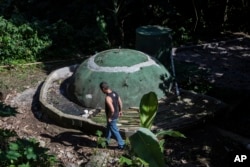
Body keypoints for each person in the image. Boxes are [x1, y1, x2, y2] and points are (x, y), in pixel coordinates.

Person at [99, 81, 125, 149]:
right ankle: (106, 142)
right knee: (109, 129)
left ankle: (122, 144)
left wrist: (110, 117)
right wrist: (120, 111)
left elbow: (112, 110)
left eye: (101, 90)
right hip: (116, 115)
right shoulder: (115, 93)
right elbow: (120, 102)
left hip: (112, 117)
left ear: (103, 89)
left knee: (115, 130)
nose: (102, 91)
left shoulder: (108, 98)